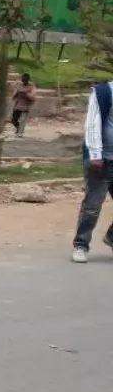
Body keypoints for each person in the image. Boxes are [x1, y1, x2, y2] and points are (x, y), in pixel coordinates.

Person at [72, 79, 113, 263]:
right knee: (92, 206)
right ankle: (81, 245)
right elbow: (92, 123)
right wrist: (95, 154)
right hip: (103, 159)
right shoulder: (103, 92)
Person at [10, 72, 38, 137]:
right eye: (23, 79)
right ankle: (18, 128)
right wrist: (16, 93)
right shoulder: (19, 86)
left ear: (28, 79)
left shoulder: (31, 87)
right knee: (13, 120)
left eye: (25, 79)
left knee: (22, 120)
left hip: (26, 107)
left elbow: (33, 98)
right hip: (17, 106)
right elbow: (13, 97)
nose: (24, 80)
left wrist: (26, 94)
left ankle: (20, 133)